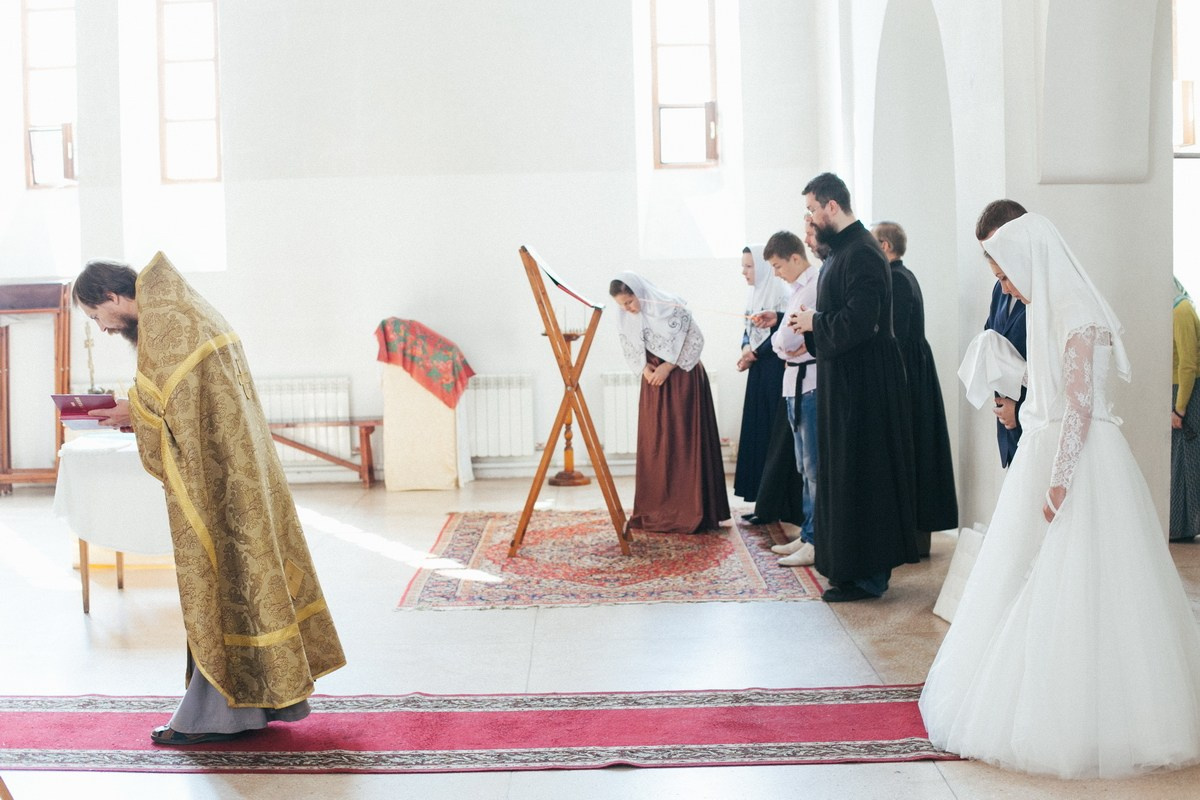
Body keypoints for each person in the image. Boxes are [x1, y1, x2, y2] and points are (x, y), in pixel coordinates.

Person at [919, 212, 1200, 779]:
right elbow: (1052, 391)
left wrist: (1060, 477)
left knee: (1084, 580)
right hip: (1045, 449)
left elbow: (1080, 405)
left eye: (1004, 274)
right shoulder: (1048, 308)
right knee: (1021, 571)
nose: (1004, 287)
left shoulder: (1078, 313)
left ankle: (1084, 713)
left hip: (1078, 459)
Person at [72, 253, 346, 745]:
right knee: (245, 580)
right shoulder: (182, 311)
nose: (103, 328)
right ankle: (260, 701)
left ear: (111, 297)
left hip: (216, 480)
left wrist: (127, 411)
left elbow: (169, 405)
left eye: (97, 317)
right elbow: (182, 400)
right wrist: (135, 408)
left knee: (220, 583)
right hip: (237, 472)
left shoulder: (169, 325)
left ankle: (216, 716)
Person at [788, 173, 918, 601]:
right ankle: (847, 568)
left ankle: (867, 576)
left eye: (811, 209)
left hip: (866, 386)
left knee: (865, 476)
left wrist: (814, 323)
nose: (809, 217)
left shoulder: (862, 253)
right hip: (845, 382)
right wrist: (814, 321)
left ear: (830, 207)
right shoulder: (843, 252)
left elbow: (861, 323)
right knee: (843, 474)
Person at [610, 272, 730, 533]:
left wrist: (667, 367)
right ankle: (658, 508)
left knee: (684, 441)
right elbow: (631, 347)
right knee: (657, 443)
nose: (627, 309)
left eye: (629, 302)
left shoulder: (672, 307)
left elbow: (695, 340)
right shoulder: (626, 316)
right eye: (622, 305)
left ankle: (692, 509)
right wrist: (646, 370)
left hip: (682, 380)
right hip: (654, 383)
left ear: (640, 293)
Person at [872, 222, 957, 556]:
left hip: (908, 377)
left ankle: (912, 538)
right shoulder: (904, 276)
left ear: (885, 245)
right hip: (915, 371)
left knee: (913, 453)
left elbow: (897, 335)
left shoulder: (896, 280)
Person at [754, 230, 819, 568]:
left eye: (778, 266)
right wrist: (781, 330)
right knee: (802, 465)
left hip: (810, 383)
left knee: (813, 468)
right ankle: (808, 535)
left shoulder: (812, 285)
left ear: (795, 257)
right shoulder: (796, 289)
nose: (776, 273)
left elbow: (788, 341)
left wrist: (782, 339)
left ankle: (816, 539)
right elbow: (786, 337)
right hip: (794, 382)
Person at [733, 245, 788, 504]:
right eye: (744, 265)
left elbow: (783, 331)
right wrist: (746, 349)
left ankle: (773, 501)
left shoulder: (780, 292)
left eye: (749, 266)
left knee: (770, 432)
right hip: (758, 367)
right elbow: (747, 328)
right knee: (756, 430)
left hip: (775, 367)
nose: (744, 271)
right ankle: (759, 499)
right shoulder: (752, 295)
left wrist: (755, 353)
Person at [980, 201, 1029, 467]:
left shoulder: (1039, 294)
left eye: (993, 246)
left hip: (1033, 424)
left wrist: (1019, 411)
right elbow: (991, 337)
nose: (989, 255)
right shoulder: (1000, 290)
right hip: (1007, 431)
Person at [1172, 275, 1200, 540]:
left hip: (1186, 395)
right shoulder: (1177, 308)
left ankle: (1186, 526)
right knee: (1180, 461)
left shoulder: (1181, 311)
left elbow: (1188, 364)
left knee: (1187, 461)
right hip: (1179, 393)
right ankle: (1179, 526)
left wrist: (1179, 408)